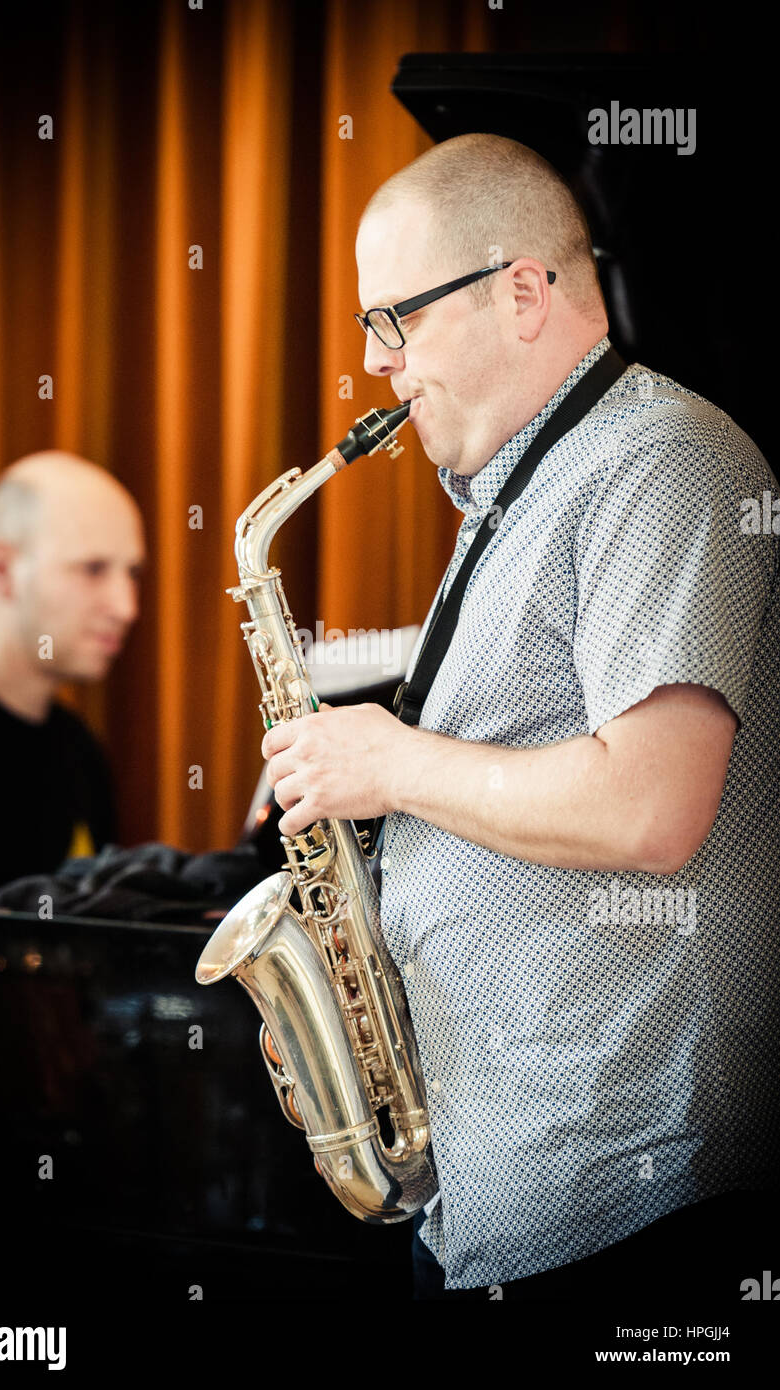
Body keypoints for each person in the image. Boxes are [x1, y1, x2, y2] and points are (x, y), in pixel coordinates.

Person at [259, 133, 780, 1300]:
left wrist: (388, 764)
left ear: (525, 292)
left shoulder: (660, 462)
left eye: (394, 319)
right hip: (512, 1192)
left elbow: (651, 808)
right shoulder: (527, 490)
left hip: (636, 1207)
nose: (377, 366)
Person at [0, 451, 145, 905]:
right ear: (2, 570)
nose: (126, 607)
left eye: (133, 573)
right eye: (92, 569)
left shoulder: (80, 753)